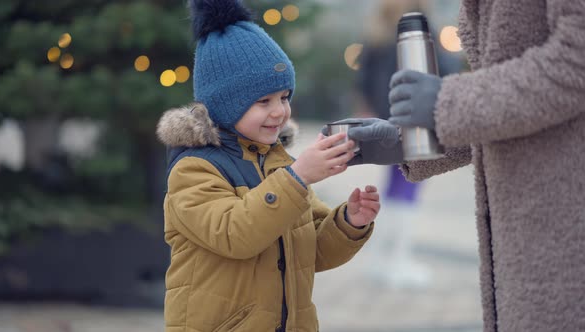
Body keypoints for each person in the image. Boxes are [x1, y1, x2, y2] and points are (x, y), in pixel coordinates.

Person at [332, 1, 585, 331]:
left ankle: (391, 260)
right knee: (398, 195)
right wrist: (403, 142)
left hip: (564, 225)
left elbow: (575, 61)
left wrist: (444, 104)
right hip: (528, 239)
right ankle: (389, 260)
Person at [156, 1, 379, 331]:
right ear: (224, 105)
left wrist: (348, 223)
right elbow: (237, 234)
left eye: (284, 97)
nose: (280, 112)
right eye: (264, 101)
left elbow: (310, 253)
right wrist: (298, 176)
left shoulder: (277, 164)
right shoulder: (194, 169)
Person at [354, 0, 462, 288]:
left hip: (386, 118)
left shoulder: (377, 33)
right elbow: (445, 69)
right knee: (407, 188)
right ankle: (397, 261)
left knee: (393, 188)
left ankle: (380, 260)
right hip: (414, 119)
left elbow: (363, 80)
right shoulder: (418, 30)